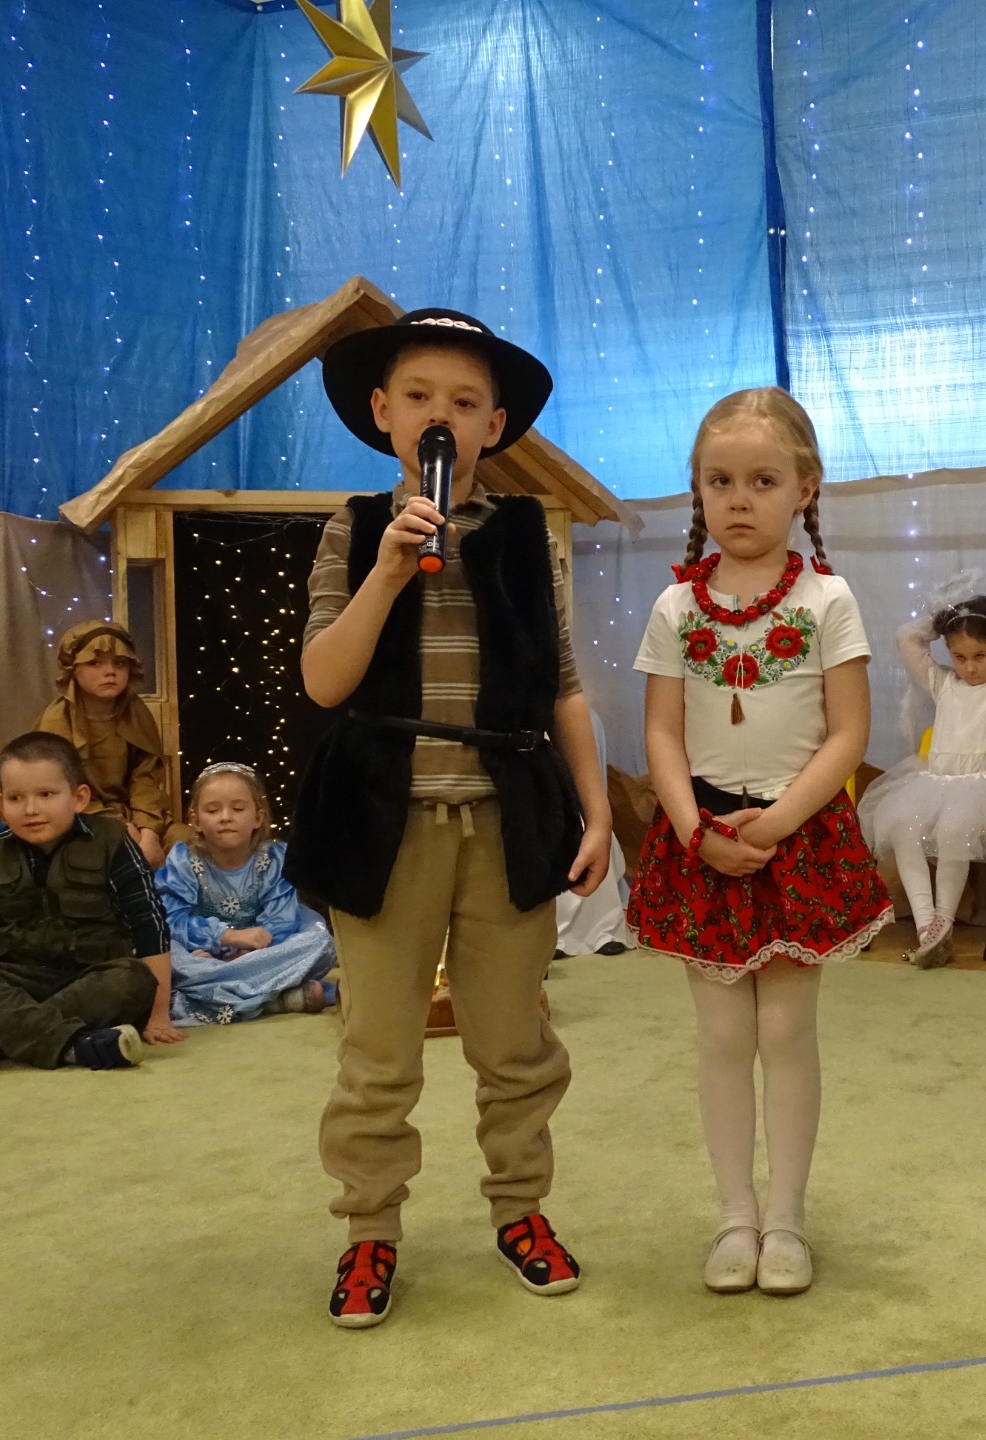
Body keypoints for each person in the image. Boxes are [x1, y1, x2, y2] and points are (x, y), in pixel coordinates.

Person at [288, 308, 613, 1329]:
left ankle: (522, 1210)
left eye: (466, 402)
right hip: (382, 823)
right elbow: (325, 680)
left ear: (494, 425)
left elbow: (563, 684)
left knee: (516, 1045)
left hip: (505, 817)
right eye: (421, 397)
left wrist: (599, 811)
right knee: (379, 1052)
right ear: (383, 413)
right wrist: (389, 570)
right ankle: (369, 1229)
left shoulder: (525, 534)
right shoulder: (352, 530)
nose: (443, 415)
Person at [626, 387, 890, 1297]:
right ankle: (734, 1216)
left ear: (805, 487)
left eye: (763, 481)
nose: (738, 500)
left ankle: (787, 1217)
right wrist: (694, 831)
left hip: (795, 840)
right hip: (702, 839)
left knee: (784, 1029)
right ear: (698, 489)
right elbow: (661, 732)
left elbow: (848, 734)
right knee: (721, 1034)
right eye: (720, 481)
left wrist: (775, 825)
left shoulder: (828, 600)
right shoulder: (676, 606)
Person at [0, 732, 181, 1073]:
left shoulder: (112, 840)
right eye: (16, 798)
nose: (31, 810)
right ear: (1, 803)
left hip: (91, 981)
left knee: (135, 979)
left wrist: (158, 1017)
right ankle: (79, 1047)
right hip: (14, 984)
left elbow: (149, 924)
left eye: (46, 795)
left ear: (79, 797)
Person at [856, 589, 986, 968]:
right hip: (934, 782)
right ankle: (926, 924)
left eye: (980, 656)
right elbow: (906, 638)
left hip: (985, 786)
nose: (969, 667)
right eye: (959, 657)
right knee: (902, 827)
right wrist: (942, 618)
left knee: (954, 829)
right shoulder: (942, 684)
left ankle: (944, 919)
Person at [156, 762, 335, 1026]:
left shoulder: (275, 858)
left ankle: (212, 995)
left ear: (258, 818)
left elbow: (282, 921)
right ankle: (275, 998)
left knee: (318, 942)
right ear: (195, 820)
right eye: (212, 810)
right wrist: (225, 938)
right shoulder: (183, 860)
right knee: (164, 953)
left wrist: (247, 954)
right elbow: (171, 920)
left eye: (238, 809)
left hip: (263, 950)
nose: (225, 817)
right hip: (200, 953)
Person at [34, 620, 175, 868]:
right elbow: (60, 789)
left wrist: (149, 831)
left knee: (185, 842)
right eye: (95, 663)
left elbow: (146, 778)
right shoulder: (56, 721)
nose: (110, 672)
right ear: (73, 669)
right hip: (79, 815)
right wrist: (119, 826)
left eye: (119, 663)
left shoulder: (136, 713)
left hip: (132, 812)